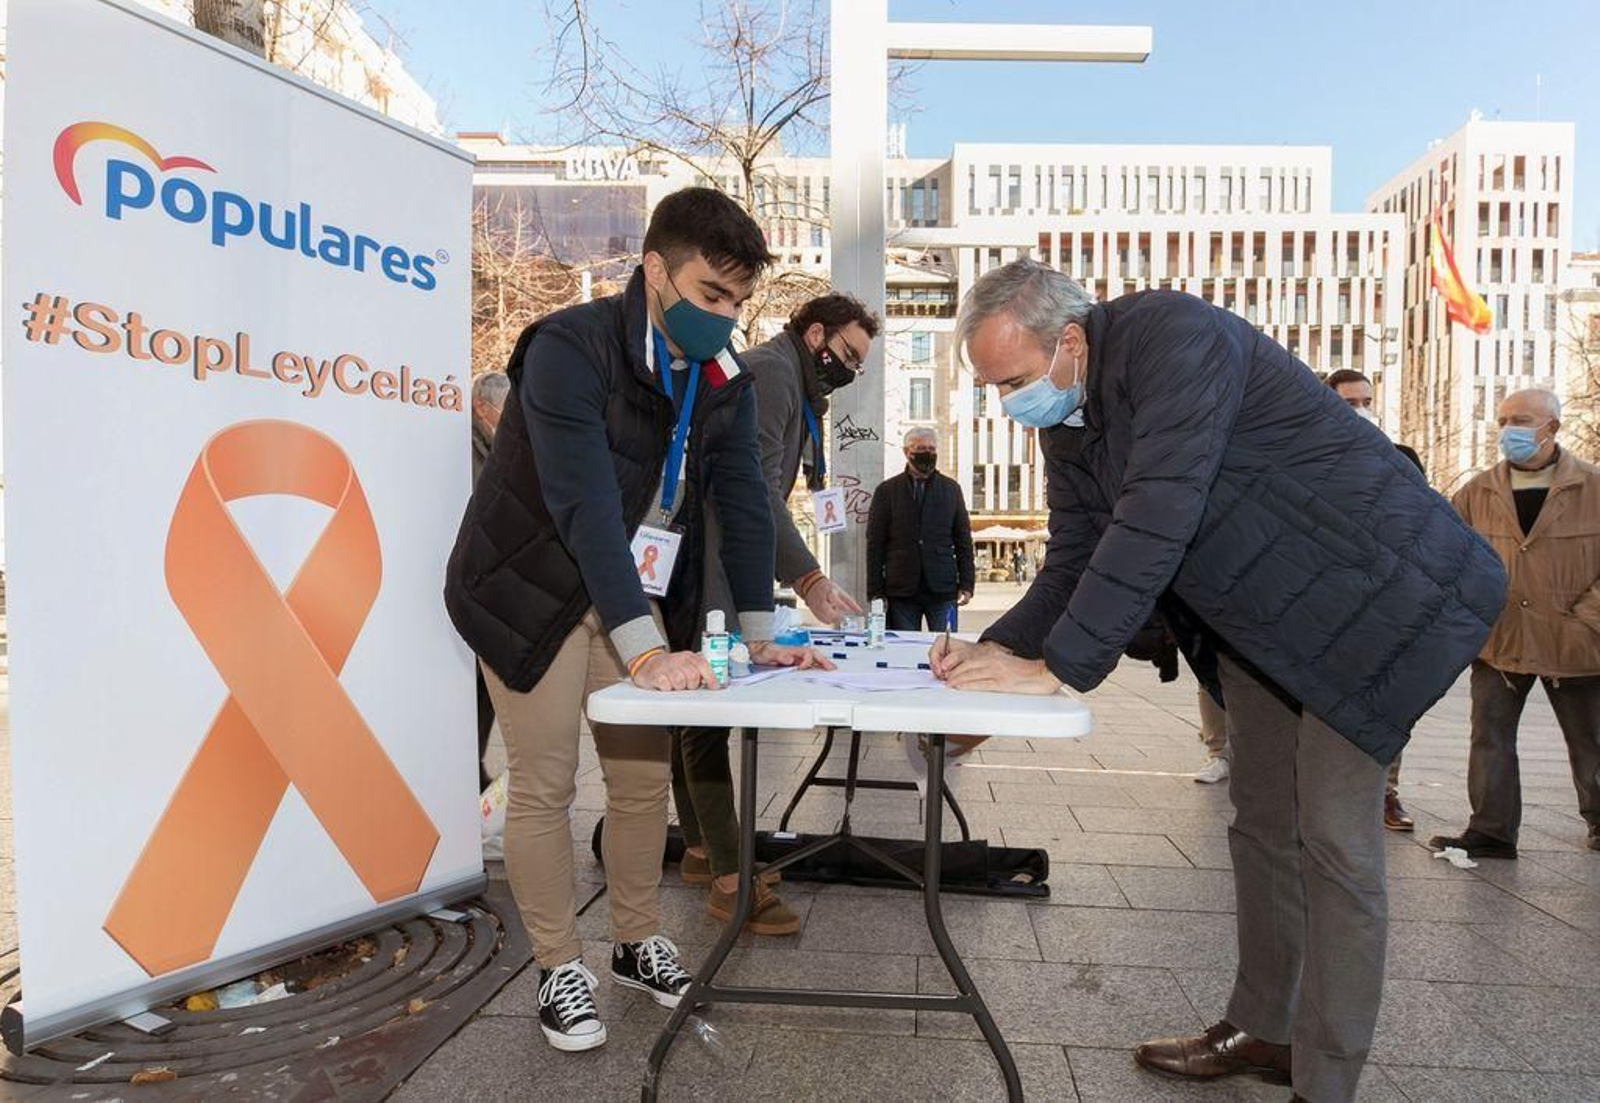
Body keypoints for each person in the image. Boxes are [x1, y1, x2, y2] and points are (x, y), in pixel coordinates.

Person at [933, 259, 1505, 1103]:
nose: (1007, 402)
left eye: (1013, 379)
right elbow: (1076, 553)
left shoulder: (1176, 336)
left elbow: (1159, 507)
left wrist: (1056, 668)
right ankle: (1263, 1028)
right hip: (1265, 619)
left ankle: (1328, 1077)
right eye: (991, 386)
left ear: (1072, 339)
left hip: (1373, 604)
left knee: (1335, 840)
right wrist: (991, 652)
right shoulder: (1071, 415)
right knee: (1261, 822)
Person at [444, 187, 826, 1053]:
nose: (722, 317)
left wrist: (761, 623)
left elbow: (744, 497)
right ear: (654, 270)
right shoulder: (570, 348)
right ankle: (557, 965)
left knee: (642, 782)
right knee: (544, 780)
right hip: (530, 585)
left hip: (629, 592)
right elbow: (581, 504)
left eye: (735, 302)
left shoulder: (721, 377)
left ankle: (634, 939)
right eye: (707, 294)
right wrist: (648, 650)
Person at [673, 292, 879, 935]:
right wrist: (808, 575)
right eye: (846, 354)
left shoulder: (791, 379)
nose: (849, 369)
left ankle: (706, 851)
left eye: (858, 364)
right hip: (711, 558)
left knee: (696, 709)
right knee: (706, 711)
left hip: (719, 555)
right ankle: (731, 880)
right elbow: (754, 492)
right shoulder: (772, 374)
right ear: (814, 332)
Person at [1428, 388, 1600, 860]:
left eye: (1521, 419)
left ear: (1552, 428)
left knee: (1591, 740)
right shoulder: (1477, 490)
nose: (1509, 430)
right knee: (1490, 735)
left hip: (1576, 642)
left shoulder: (1592, 486)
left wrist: (1588, 622)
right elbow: (1449, 556)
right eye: (1503, 420)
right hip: (1501, 638)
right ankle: (1492, 830)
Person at [866, 427, 976, 631]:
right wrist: (875, 592)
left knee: (945, 649)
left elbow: (963, 541)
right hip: (901, 590)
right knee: (904, 651)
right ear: (906, 452)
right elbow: (875, 545)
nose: (927, 453)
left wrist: (967, 584)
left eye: (931, 448)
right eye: (920, 448)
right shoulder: (886, 491)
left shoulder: (952, 489)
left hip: (943, 588)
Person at [469, 372, 510, 792]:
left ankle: (473, 766)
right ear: (483, 408)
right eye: (505, 412)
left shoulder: (495, 448)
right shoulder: (469, 451)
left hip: (491, 588)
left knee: (484, 687)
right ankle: (468, 769)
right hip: (474, 584)